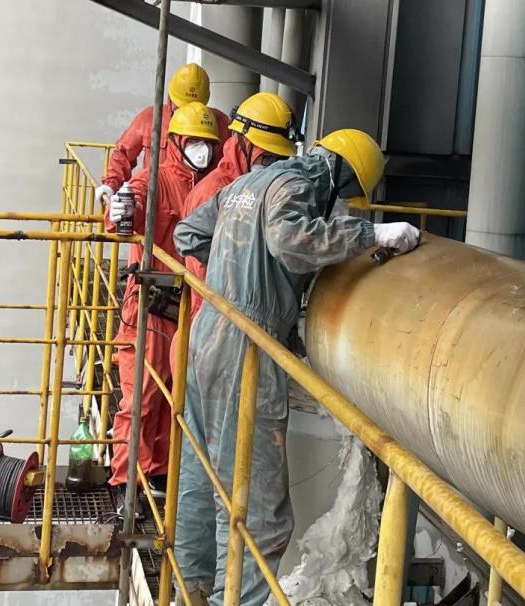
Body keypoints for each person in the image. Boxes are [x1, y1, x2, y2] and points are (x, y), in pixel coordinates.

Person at [172, 129, 420, 605]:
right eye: (348, 194)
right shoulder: (300, 183)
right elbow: (289, 242)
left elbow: (189, 234)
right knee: (257, 512)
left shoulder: (247, 183)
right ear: (341, 173)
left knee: (201, 478)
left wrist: (239, 270)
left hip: (208, 331)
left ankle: (189, 589)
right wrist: (371, 234)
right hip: (246, 347)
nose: (341, 205)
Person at [104, 101, 222, 517]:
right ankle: (124, 482)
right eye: (194, 143)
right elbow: (128, 208)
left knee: (173, 396)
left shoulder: (214, 184)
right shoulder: (155, 180)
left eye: (208, 144)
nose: (203, 151)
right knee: (141, 396)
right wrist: (120, 206)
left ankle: (157, 471)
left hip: (187, 307)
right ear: (176, 142)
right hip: (151, 305)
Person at [172, 92, 296, 368]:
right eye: (266, 157)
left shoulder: (252, 188)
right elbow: (203, 270)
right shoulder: (215, 192)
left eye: (277, 158)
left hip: (230, 329)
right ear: (243, 143)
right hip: (213, 330)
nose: (271, 165)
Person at [95, 63, 230, 201]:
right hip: (157, 200)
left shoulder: (220, 123)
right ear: (170, 98)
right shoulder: (151, 118)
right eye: (180, 109)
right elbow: (123, 153)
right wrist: (111, 185)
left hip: (201, 201)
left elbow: (230, 165)